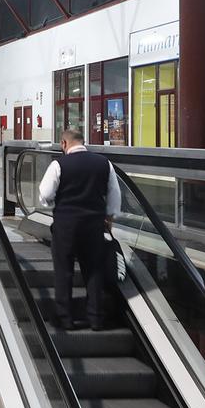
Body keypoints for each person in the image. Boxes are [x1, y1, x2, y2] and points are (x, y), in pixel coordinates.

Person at [38, 128, 122, 331]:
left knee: (64, 270)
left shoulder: (59, 164)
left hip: (66, 224)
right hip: (94, 225)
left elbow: (45, 193)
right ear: (82, 142)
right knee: (94, 270)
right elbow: (114, 194)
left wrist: (51, 204)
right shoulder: (104, 163)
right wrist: (109, 217)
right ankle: (95, 318)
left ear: (64, 144)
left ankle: (65, 318)